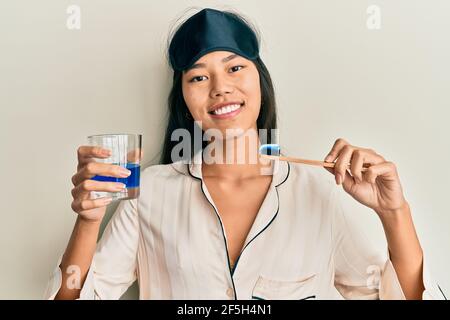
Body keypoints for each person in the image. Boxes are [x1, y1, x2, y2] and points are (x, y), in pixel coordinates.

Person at [45, 8, 445, 300]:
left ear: (260, 82)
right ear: (185, 101)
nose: (220, 88)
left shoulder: (317, 190)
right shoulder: (149, 192)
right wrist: (88, 220)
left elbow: (396, 296)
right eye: (199, 77)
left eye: (235, 69)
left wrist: (395, 213)